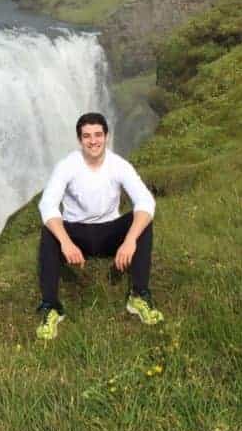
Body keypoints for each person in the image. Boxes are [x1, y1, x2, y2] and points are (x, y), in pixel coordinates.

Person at [35, 112, 163, 340]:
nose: (93, 141)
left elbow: (146, 201)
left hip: (109, 231)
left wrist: (130, 240)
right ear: (79, 140)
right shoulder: (67, 166)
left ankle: (139, 295)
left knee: (141, 221)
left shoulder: (119, 165)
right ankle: (51, 306)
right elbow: (47, 205)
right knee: (49, 231)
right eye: (87, 136)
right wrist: (65, 242)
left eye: (97, 135)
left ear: (106, 136)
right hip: (76, 233)